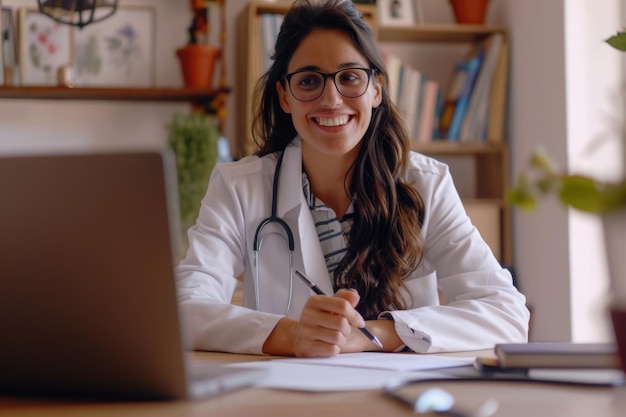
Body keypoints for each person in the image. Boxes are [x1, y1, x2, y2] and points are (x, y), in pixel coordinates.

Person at [176, 0, 529, 357]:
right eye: (309, 80)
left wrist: (373, 334)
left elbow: (507, 313)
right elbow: (183, 308)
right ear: (284, 96)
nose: (331, 99)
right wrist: (291, 334)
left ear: (376, 89)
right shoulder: (239, 186)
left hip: (404, 399)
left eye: (349, 77)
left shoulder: (427, 183)